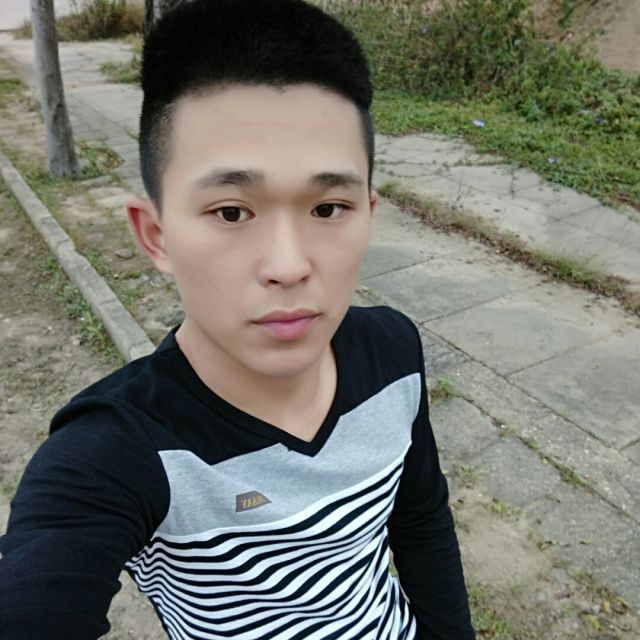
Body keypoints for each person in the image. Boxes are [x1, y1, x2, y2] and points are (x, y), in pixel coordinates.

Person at [0, 0, 475, 638]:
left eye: (328, 209)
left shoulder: (393, 351)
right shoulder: (116, 453)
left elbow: (421, 519)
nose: (288, 266)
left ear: (368, 212)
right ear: (157, 235)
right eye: (231, 212)